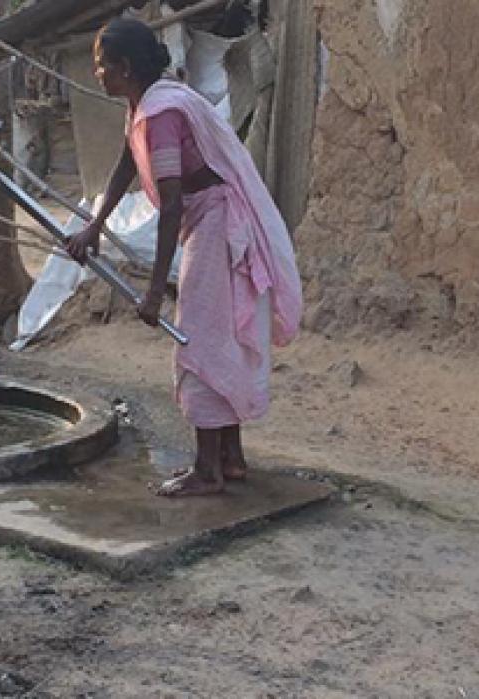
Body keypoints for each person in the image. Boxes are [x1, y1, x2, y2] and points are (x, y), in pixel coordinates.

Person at [66, 18, 302, 497]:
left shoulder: (163, 113)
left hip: (215, 225)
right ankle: (230, 459)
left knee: (197, 342)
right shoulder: (144, 107)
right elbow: (125, 165)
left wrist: (155, 291)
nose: (97, 74)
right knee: (218, 338)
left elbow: (171, 204)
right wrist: (95, 225)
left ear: (125, 67)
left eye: (101, 65)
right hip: (207, 222)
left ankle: (207, 469)